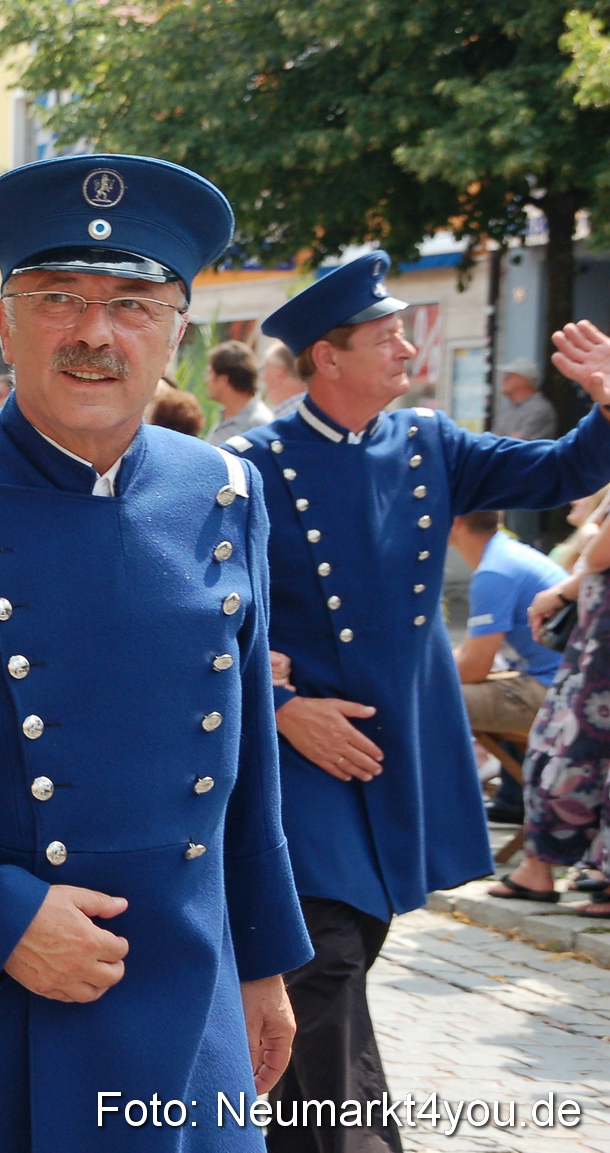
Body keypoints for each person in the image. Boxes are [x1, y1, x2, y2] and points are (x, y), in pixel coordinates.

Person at [0, 154, 311, 1152]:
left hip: (180, 1009)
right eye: (57, 298)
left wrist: (263, 962)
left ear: (178, 326)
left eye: (130, 301)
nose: (92, 330)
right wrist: (0, 919)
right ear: (4, 321)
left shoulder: (224, 494)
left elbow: (244, 771)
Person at [228, 251, 610, 1153]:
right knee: (320, 965)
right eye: (386, 333)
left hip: (396, 755)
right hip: (297, 761)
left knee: (346, 957)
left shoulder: (429, 443)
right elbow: (207, 612)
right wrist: (281, 708)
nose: (407, 344)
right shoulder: (251, 463)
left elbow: (558, 472)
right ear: (329, 356)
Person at [496, 506, 610, 913]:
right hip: (593, 646)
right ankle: (546, 866)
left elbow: (595, 551)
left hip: (599, 655)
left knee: (568, 753)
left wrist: (565, 588)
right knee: (565, 751)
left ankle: (544, 867)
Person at [447, 511, 567, 825]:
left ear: (455, 520)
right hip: (556, 682)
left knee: (426, 701)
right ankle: (512, 797)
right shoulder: (506, 553)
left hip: (556, 695)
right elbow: (474, 651)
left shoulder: (494, 573)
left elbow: (473, 667)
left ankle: (443, 812)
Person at [205, 340, 273, 445]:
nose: (206, 380)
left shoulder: (259, 425)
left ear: (224, 380)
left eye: (209, 373)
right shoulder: (227, 418)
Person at [497, 357, 558, 441]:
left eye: (509, 377)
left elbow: (514, 444)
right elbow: (495, 439)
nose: (504, 380)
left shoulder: (539, 409)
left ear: (523, 380)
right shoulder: (508, 408)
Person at [261, 340, 305, 418]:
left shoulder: (292, 416)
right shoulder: (308, 410)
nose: (263, 377)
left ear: (278, 374)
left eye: (265, 369)